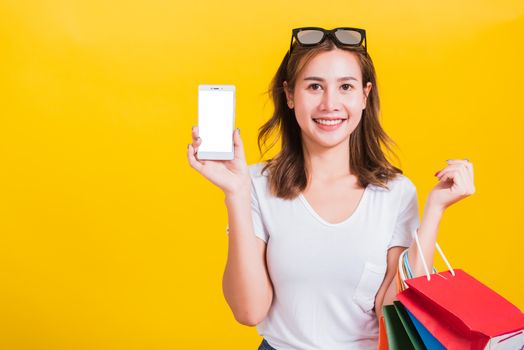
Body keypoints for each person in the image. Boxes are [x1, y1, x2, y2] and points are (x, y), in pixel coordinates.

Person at [187, 27, 475, 350]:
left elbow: (393, 312)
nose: (330, 104)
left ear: (364, 96)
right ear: (290, 94)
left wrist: (434, 210)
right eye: (314, 86)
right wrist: (236, 194)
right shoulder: (256, 185)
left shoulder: (396, 193)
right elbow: (249, 310)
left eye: (346, 87)